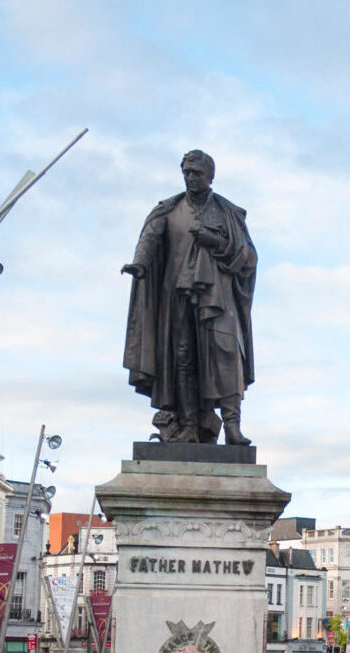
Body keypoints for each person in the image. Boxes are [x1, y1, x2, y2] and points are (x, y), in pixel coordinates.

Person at [121, 149, 258, 446]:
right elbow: (150, 238)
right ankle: (190, 426)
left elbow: (249, 257)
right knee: (182, 358)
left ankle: (232, 427)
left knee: (225, 356)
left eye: (196, 173)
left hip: (217, 298)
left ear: (210, 176)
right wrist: (139, 264)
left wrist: (217, 242)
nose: (190, 178)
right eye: (186, 172)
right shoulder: (169, 210)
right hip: (177, 298)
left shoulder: (227, 212)